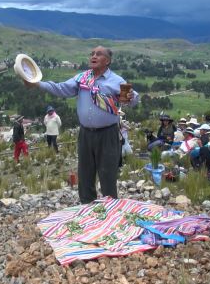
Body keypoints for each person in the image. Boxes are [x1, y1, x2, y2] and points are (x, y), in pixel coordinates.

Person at [22, 45, 139, 204]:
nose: (94, 56)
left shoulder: (116, 81)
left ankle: (110, 211)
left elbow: (131, 101)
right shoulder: (82, 78)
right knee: (85, 174)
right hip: (85, 134)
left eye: (99, 54)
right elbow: (61, 89)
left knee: (107, 175)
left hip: (108, 134)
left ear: (108, 61)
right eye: (92, 53)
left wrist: (132, 97)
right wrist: (38, 84)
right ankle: (87, 210)